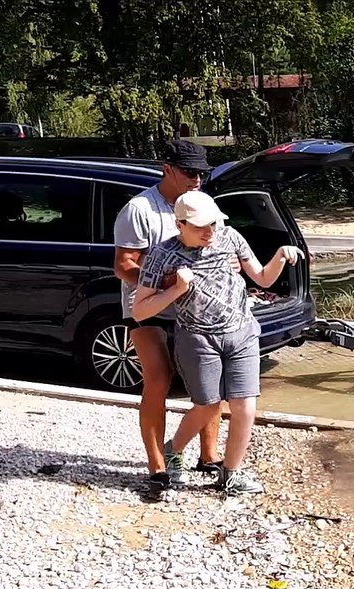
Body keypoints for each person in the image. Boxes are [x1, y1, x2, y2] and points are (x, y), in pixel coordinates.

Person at [131, 191, 304, 495]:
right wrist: (176, 290)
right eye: (200, 227)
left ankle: (230, 474)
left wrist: (279, 256)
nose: (210, 232)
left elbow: (262, 278)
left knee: (245, 407)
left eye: (213, 224)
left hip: (242, 334)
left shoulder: (230, 237)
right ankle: (173, 450)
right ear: (179, 224)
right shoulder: (163, 255)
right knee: (207, 405)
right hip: (197, 339)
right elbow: (140, 310)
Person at [113, 140, 232, 490]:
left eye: (202, 172)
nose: (197, 178)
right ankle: (158, 465)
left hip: (195, 308)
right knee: (159, 378)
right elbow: (123, 264)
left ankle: (209, 457)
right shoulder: (140, 209)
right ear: (167, 168)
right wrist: (160, 285)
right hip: (147, 307)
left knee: (210, 381)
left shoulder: (203, 204)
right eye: (190, 172)